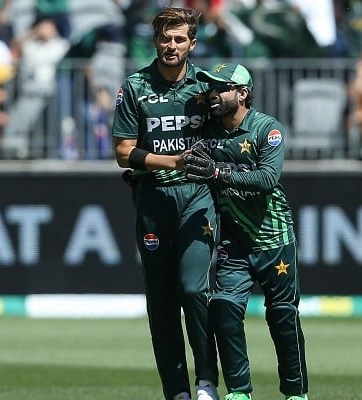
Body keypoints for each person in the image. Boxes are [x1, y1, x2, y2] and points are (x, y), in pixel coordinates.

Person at [183, 63, 309, 400]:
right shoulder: (207, 131)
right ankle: (239, 391)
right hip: (234, 240)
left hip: (275, 238)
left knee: (282, 316)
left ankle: (296, 393)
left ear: (242, 93)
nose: (213, 94)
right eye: (210, 88)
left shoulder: (266, 129)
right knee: (223, 306)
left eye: (222, 88)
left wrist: (218, 173)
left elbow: (268, 179)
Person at [111, 7, 219, 400]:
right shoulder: (136, 86)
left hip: (196, 198)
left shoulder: (205, 88)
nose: (170, 46)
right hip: (153, 198)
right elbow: (124, 151)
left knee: (193, 289)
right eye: (164, 38)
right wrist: (171, 161)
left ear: (192, 43)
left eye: (179, 39)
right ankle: (177, 392)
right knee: (161, 302)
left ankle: (207, 380)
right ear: (155, 40)